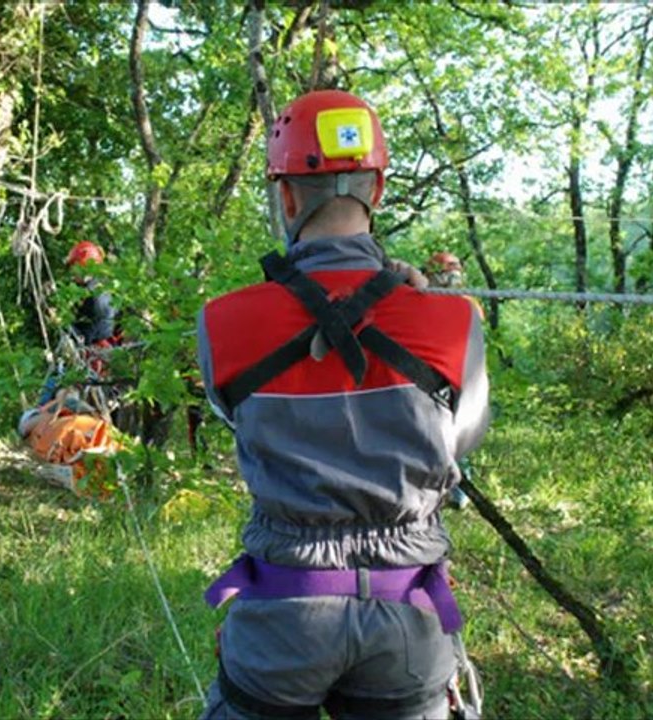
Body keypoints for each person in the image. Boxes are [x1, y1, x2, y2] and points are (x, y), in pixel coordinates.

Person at [197, 90, 490, 719]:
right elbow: (458, 443)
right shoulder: (453, 320)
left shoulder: (222, 323)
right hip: (408, 616)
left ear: (287, 197)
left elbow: (236, 421)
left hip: (282, 613)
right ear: (377, 191)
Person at [425, 251, 483, 511]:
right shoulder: (424, 299)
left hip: (459, 374)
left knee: (459, 430)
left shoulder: (466, 303)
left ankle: (459, 492)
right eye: (446, 271)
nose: (451, 276)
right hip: (434, 376)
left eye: (453, 270)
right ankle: (439, 490)